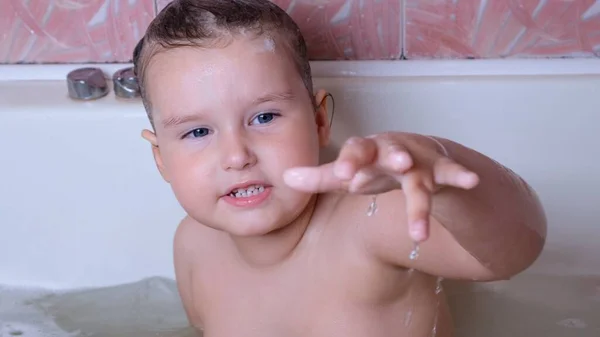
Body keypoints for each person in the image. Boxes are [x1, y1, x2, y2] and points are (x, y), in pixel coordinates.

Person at [132, 0, 547, 336]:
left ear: (318, 121)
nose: (237, 155)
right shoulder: (193, 246)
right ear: (161, 159)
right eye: (198, 131)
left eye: (264, 117)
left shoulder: (368, 221)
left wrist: (442, 168)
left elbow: (517, 253)